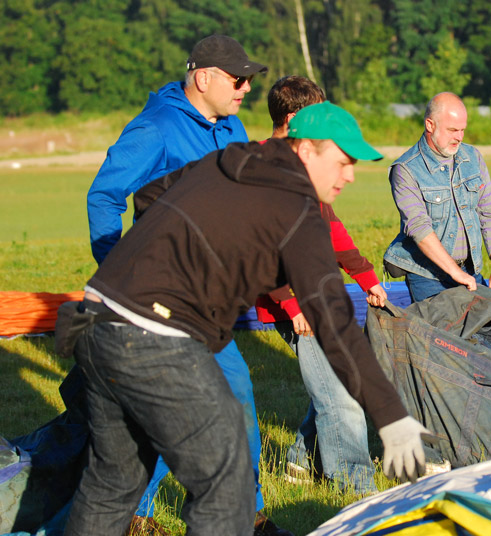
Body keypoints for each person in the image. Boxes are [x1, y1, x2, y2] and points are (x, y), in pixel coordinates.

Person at [62, 101, 430, 536]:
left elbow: (148, 196)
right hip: (156, 339)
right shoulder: (297, 208)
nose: (349, 175)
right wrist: (391, 416)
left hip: (95, 319)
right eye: (343, 161)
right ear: (306, 150)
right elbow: (332, 321)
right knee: (227, 483)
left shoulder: (224, 161)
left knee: (112, 482)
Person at [84, 35, 279, 535]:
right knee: (162, 410)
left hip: (207, 301)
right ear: (204, 77)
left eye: (250, 80)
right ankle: (135, 517)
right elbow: (104, 196)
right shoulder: (157, 128)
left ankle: (246, 515)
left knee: (235, 398)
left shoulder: (231, 125)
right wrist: (119, 270)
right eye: (238, 80)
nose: (246, 89)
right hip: (155, 303)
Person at [255, 76, 379, 494]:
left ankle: (299, 461)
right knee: (342, 390)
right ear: (293, 120)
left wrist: (364, 275)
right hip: (296, 300)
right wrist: (291, 304)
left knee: (333, 379)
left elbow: (330, 226)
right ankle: (356, 489)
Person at [383, 92, 491, 303]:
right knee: (443, 334)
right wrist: (455, 273)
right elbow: (419, 229)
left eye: (462, 130)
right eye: (452, 130)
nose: (459, 137)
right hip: (427, 276)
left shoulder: (472, 157)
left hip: (470, 271)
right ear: (430, 125)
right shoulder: (405, 170)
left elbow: (489, 212)